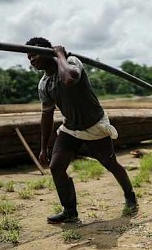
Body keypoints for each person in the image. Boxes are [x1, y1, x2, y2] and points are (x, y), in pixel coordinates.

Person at [25, 37, 138, 223]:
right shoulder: (44, 84)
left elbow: (69, 79)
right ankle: (70, 211)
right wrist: (43, 147)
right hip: (71, 128)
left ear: (48, 52)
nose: (32, 61)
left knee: (110, 164)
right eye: (29, 58)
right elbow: (46, 115)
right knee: (56, 167)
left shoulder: (71, 61)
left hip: (94, 125)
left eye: (35, 55)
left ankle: (130, 195)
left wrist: (59, 54)